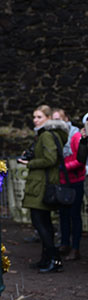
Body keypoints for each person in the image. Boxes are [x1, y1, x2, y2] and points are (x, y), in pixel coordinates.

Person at [17, 105, 70, 273]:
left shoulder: (47, 135)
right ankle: (47, 258)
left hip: (42, 185)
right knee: (44, 222)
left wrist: (30, 163)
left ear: (48, 118)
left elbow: (51, 158)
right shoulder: (46, 135)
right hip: (41, 184)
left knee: (41, 223)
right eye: (34, 116)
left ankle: (54, 259)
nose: (35, 120)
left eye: (39, 117)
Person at [50, 108, 84, 260]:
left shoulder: (75, 137)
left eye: (59, 119)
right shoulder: (55, 137)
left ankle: (75, 248)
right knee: (63, 214)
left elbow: (80, 160)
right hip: (62, 181)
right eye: (54, 119)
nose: (57, 123)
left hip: (75, 181)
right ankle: (65, 243)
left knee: (74, 215)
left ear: (67, 119)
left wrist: (63, 167)